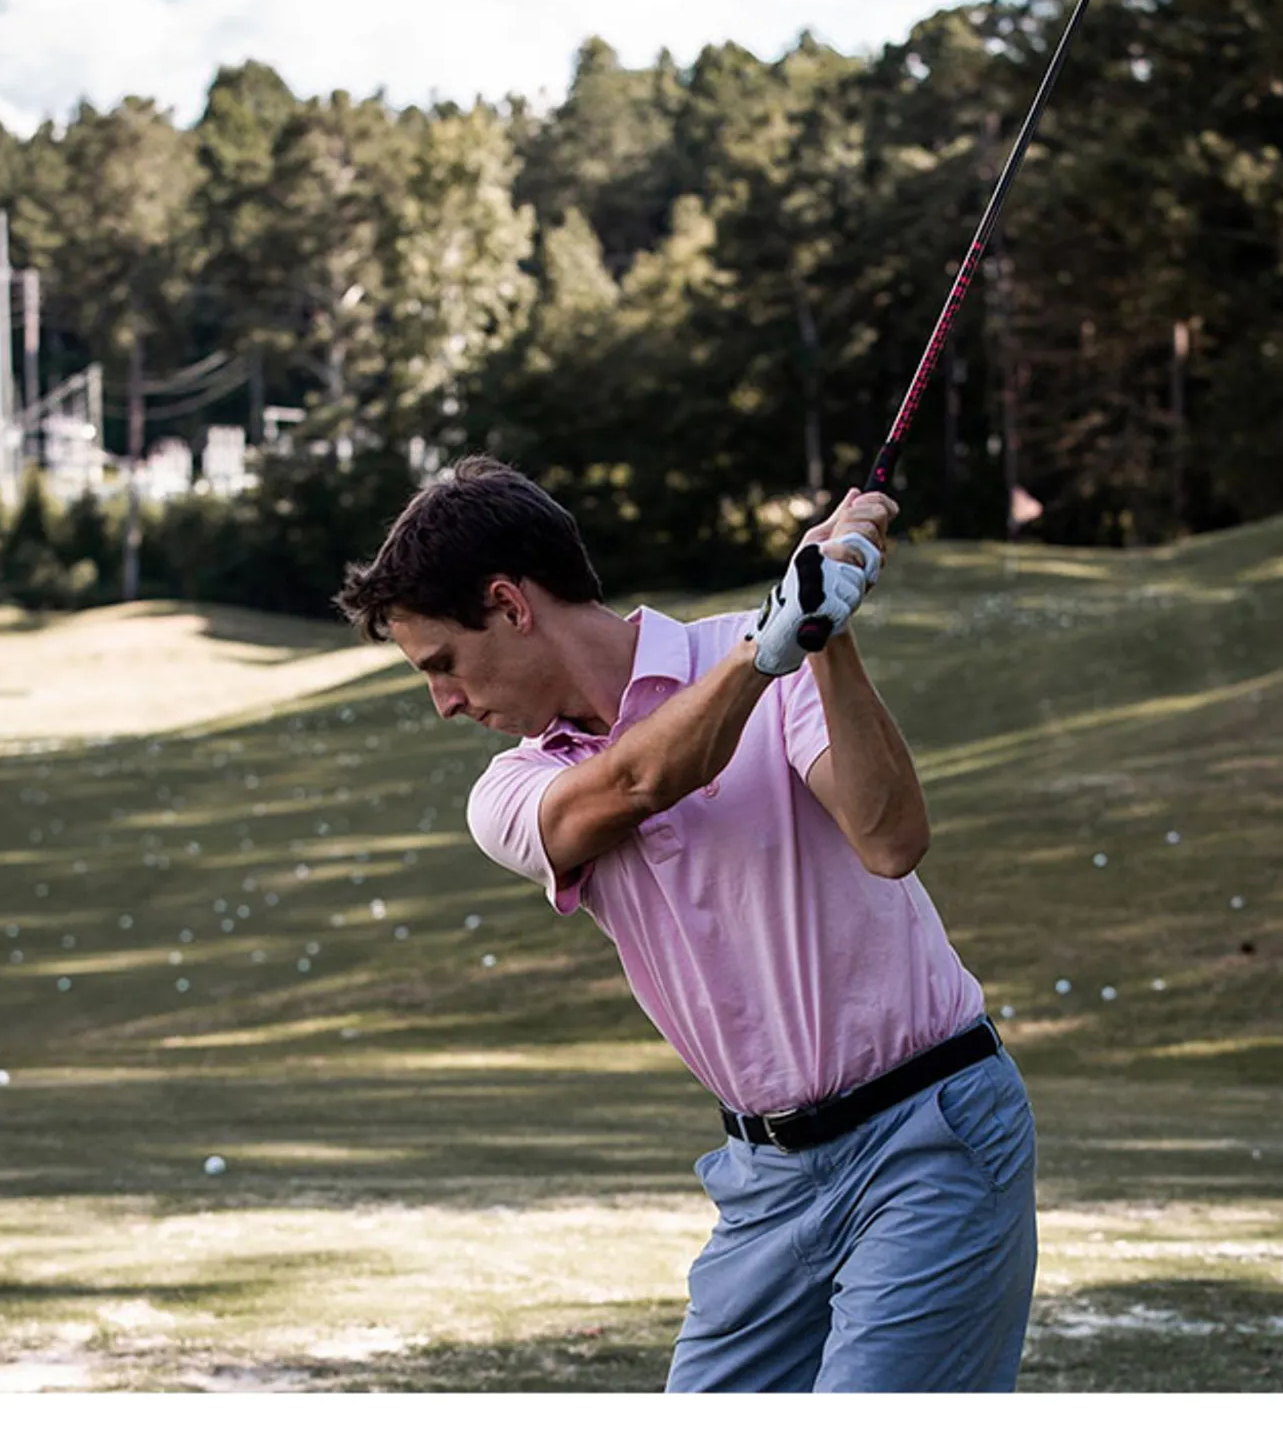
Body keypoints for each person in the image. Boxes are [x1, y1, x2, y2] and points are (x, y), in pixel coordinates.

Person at [336, 455, 1037, 1392]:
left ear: (508, 604)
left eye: (442, 664)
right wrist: (771, 642)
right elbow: (636, 781)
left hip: (930, 1134)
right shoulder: (513, 787)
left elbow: (891, 839)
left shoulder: (773, 654)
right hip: (766, 1182)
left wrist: (824, 634)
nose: (446, 702)